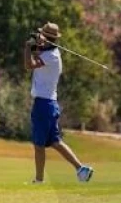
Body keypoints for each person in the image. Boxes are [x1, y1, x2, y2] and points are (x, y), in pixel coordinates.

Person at [25, 22, 94, 184]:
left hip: (43, 105)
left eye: (42, 35)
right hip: (50, 104)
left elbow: (29, 65)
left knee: (39, 144)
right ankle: (81, 169)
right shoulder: (50, 52)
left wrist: (27, 47)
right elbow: (38, 55)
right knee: (55, 142)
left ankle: (39, 180)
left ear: (48, 38)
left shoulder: (51, 56)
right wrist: (37, 45)